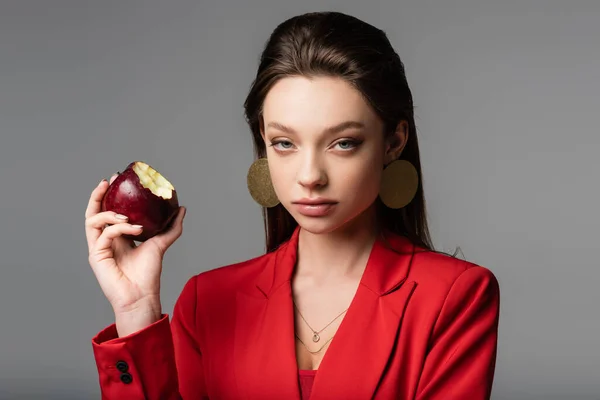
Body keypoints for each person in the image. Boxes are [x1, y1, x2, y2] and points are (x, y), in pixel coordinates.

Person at [85, 11, 500, 400]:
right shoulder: (206, 301)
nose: (310, 175)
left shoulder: (454, 296)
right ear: (263, 142)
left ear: (393, 142)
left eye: (343, 143)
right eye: (285, 143)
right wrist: (136, 311)